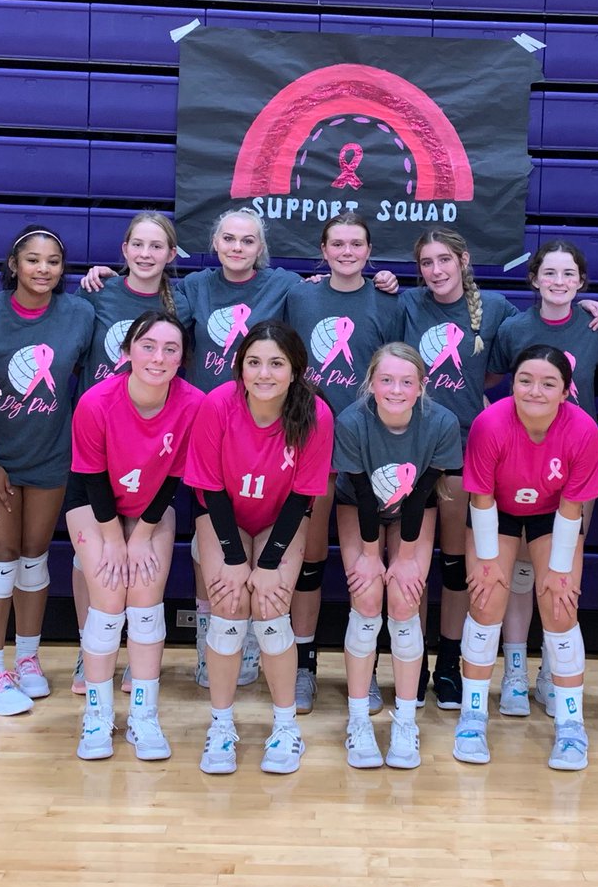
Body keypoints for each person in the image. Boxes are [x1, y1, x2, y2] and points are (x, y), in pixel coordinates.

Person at [184, 321, 335, 775]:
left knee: (271, 611)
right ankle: (221, 724)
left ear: (296, 370)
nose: (264, 373)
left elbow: (302, 497)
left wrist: (268, 566)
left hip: (280, 518)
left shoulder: (315, 414)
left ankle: (286, 726)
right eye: (253, 362)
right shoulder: (217, 405)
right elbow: (209, 490)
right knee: (228, 605)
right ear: (239, 367)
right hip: (222, 514)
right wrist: (234, 559)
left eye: (276, 363)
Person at [0, 227, 95, 716]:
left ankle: (26, 659)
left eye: (54, 261)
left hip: (49, 455)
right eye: (33, 260)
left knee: (34, 559)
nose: (43, 269)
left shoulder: (80, 314)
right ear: (14, 264)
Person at [68, 311, 204, 761]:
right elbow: (91, 480)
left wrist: (141, 536)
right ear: (126, 352)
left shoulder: (192, 403)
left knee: (146, 604)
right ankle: (97, 715)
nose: (158, 357)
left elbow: (174, 479)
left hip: (151, 508)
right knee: (108, 599)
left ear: (182, 359)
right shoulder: (96, 401)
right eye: (148, 346)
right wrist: (113, 539)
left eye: (170, 349)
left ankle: (144, 716)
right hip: (95, 505)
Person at [459, 345, 598, 768]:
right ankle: (472, 715)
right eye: (525, 380)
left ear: (565, 391)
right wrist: (487, 563)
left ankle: (572, 727)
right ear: (513, 382)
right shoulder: (490, 424)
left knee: (560, 607)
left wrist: (559, 570)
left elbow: (573, 508)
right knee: (486, 602)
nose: (534, 390)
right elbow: (481, 497)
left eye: (548, 383)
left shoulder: (582, 429)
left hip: (553, 515)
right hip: (496, 513)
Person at [283, 213, 401, 715]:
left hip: (366, 446)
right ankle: (304, 667)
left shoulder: (388, 299)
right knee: (309, 561)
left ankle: (366, 670)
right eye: (338, 243)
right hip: (309, 439)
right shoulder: (300, 296)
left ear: (369, 250)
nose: (347, 251)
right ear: (323, 249)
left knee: (364, 566)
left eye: (356, 243)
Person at [489, 240, 598, 720]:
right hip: (522, 460)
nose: (559, 282)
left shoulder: (597, 325)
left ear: (581, 282)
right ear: (534, 279)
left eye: (568, 274)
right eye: (550, 273)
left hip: (576, 462)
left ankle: (552, 666)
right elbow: (494, 381)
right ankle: (516, 666)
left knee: (561, 571)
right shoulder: (515, 328)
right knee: (520, 569)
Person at [399, 228, 517, 709]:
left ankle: (448, 662)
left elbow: (496, 367)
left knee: (453, 565)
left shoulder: (498, 310)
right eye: (426, 262)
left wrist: (593, 309)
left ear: (464, 259)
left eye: (444, 260)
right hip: (405, 447)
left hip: (462, 448)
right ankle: (410, 661)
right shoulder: (406, 304)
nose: (436, 271)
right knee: (410, 566)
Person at [333, 343, 462, 769]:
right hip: (359, 505)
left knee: (406, 602)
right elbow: (365, 495)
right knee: (368, 598)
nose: (395, 389)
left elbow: (423, 491)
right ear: (371, 383)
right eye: (386, 380)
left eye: (407, 382)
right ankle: (358, 721)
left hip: (414, 508)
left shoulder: (441, 422)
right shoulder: (352, 421)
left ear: (422, 386)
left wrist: (405, 557)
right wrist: (371, 556)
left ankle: (406, 720)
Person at [73, 212, 184, 695]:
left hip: (154, 444)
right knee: (97, 569)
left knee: (139, 585)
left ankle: (140, 691)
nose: (145, 254)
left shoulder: (185, 297)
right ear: (123, 249)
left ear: (171, 254)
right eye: (137, 244)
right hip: (100, 438)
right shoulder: (96, 292)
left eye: (156, 245)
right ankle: (90, 654)